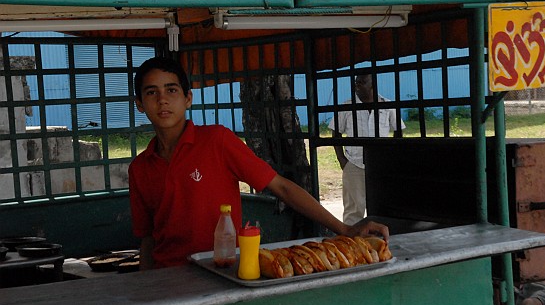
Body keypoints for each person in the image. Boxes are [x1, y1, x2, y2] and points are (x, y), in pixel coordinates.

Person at [128, 57, 389, 270]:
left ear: (188, 98)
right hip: (166, 277)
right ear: (140, 103)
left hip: (223, 271)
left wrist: (344, 229)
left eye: (171, 90)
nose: (162, 99)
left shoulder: (217, 140)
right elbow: (148, 239)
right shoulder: (139, 169)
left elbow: (281, 187)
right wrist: (146, 286)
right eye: (152, 92)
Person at [328, 74, 405, 225]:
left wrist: (392, 155)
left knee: (381, 205)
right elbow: (335, 133)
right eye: (356, 82)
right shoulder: (347, 106)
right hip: (354, 163)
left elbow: (398, 131)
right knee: (353, 210)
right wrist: (342, 160)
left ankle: (379, 239)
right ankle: (352, 242)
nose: (357, 85)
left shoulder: (387, 105)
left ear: (372, 84)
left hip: (380, 164)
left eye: (362, 82)